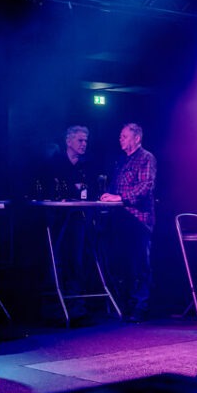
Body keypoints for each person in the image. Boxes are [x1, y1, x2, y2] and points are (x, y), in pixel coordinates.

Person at [38, 125, 97, 322]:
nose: (84, 144)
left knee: (76, 261)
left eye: (86, 140)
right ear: (68, 141)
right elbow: (46, 189)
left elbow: (91, 190)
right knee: (56, 260)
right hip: (57, 218)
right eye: (80, 140)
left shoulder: (87, 165)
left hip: (78, 218)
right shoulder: (54, 163)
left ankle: (76, 307)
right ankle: (54, 307)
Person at [100, 123, 156, 323]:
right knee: (123, 263)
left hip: (138, 219)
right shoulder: (121, 160)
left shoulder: (146, 157)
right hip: (120, 218)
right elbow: (115, 185)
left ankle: (141, 306)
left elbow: (146, 187)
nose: (120, 139)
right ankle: (126, 304)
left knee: (140, 264)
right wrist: (107, 195)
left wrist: (120, 198)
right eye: (120, 136)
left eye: (124, 136)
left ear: (137, 138)